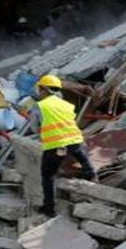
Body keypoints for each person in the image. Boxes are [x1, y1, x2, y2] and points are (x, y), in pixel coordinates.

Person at [29, 74, 97, 217]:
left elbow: (35, 128)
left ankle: (49, 208)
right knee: (78, 152)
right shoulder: (66, 105)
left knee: (48, 176)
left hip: (56, 146)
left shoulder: (39, 106)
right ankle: (90, 172)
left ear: (43, 89)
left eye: (40, 89)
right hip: (74, 140)